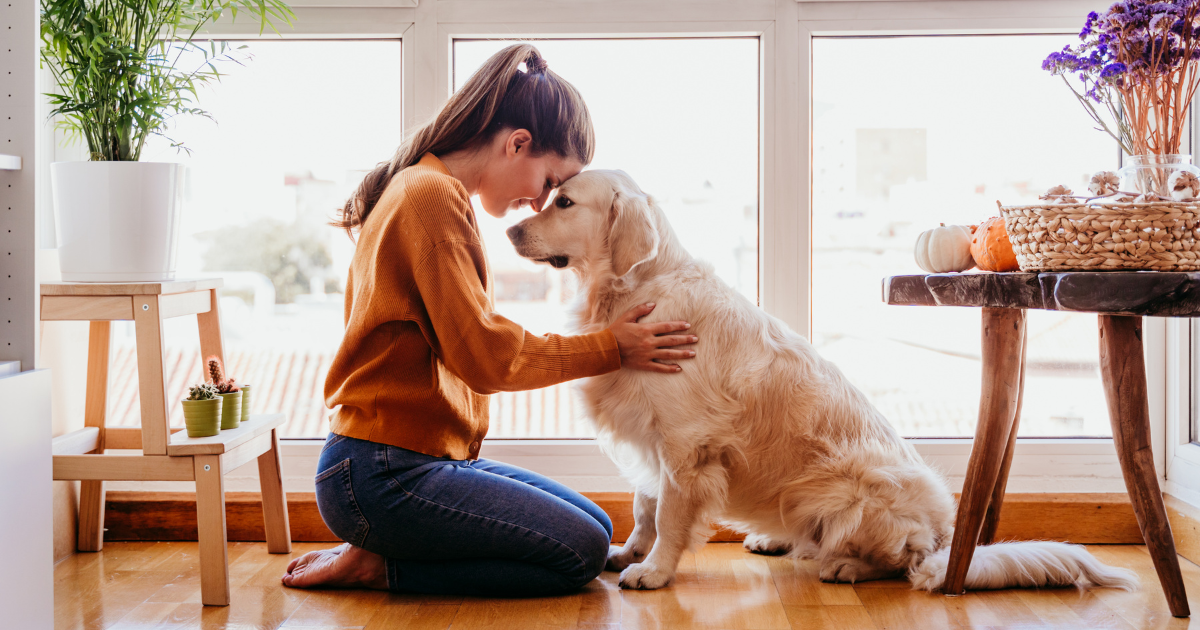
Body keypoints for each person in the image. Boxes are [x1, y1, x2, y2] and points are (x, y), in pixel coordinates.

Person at [280, 43, 698, 597]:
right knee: (580, 553)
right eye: (550, 182)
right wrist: (611, 347)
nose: (539, 202)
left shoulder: (429, 188)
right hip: (380, 474)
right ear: (517, 143)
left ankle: (383, 545)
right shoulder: (430, 198)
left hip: (411, 462)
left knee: (597, 528)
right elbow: (486, 357)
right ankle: (381, 565)